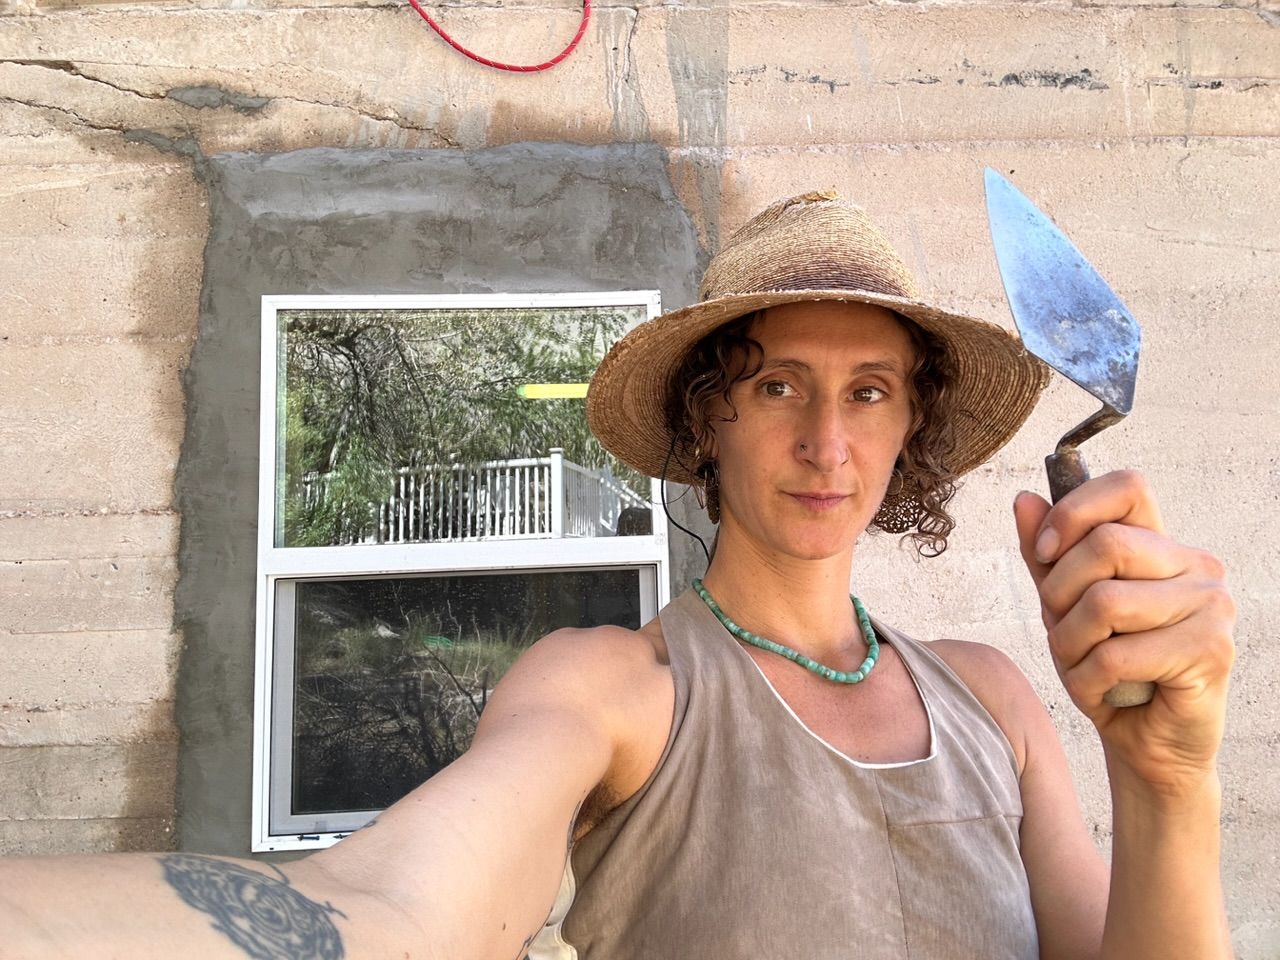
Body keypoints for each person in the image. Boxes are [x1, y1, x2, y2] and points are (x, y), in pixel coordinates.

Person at [1, 191, 1234, 959]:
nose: (825, 442)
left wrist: (1167, 780)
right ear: (707, 424)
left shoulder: (993, 701)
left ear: (909, 429)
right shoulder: (614, 690)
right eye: (775, 388)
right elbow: (392, 917)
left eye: (868, 392)